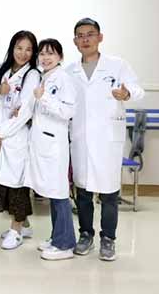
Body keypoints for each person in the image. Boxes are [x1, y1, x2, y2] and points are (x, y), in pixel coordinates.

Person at [66, 18, 144, 261]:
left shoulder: (117, 65)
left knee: (109, 193)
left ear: (100, 37)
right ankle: (86, 235)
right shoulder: (69, 71)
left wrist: (127, 94)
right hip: (80, 138)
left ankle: (108, 239)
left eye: (90, 34)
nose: (85, 39)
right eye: (80, 35)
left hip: (107, 139)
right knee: (83, 191)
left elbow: (138, 90)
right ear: (75, 41)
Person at [26, 39, 77, 260]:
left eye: (51, 53)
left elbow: (68, 112)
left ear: (60, 57)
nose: (45, 58)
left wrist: (44, 98)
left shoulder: (63, 79)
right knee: (53, 193)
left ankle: (65, 244)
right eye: (42, 54)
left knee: (59, 193)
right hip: (43, 143)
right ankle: (57, 237)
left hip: (54, 145)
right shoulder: (44, 77)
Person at [0, 30, 41, 250]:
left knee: (18, 185)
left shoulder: (32, 75)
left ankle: (16, 230)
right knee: (7, 183)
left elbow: (24, 112)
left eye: (29, 49)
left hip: (18, 136)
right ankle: (25, 226)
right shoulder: (2, 70)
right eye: (19, 48)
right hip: (3, 136)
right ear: (12, 48)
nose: (23, 53)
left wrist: (0, 133)